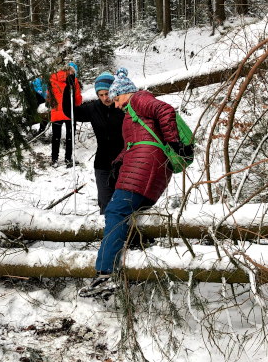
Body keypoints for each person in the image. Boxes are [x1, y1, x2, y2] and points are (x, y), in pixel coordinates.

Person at [78, 69, 193, 298]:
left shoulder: (140, 99)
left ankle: (105, 274)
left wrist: (174, 142)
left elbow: (165, 109)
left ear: (125, 93)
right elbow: (132, 145)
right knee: (127, 214)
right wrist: (117, 164)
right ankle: (132, 266)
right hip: (145, 168)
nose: (116, 104)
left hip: (145, 168)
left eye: (117, 98)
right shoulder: (131, 113)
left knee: (115, 211)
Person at [62, 70, 124, 214]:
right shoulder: (93, 108)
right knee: (105, 203)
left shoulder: (123, 107)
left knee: (124, 202)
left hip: (124, 163)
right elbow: (69, 111)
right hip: (102, 164)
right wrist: (68, 88)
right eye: (101, 95)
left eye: (107, 93)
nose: (105, 98)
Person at [48, 62, 82, 167]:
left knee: (56, 136)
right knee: (70, 136)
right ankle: (68, 159)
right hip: (69, 112)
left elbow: (49, 97)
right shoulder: (74, 80)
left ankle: (54, 159)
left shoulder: (52, 79)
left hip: (56, 112)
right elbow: (77, 100)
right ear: (72, 71)